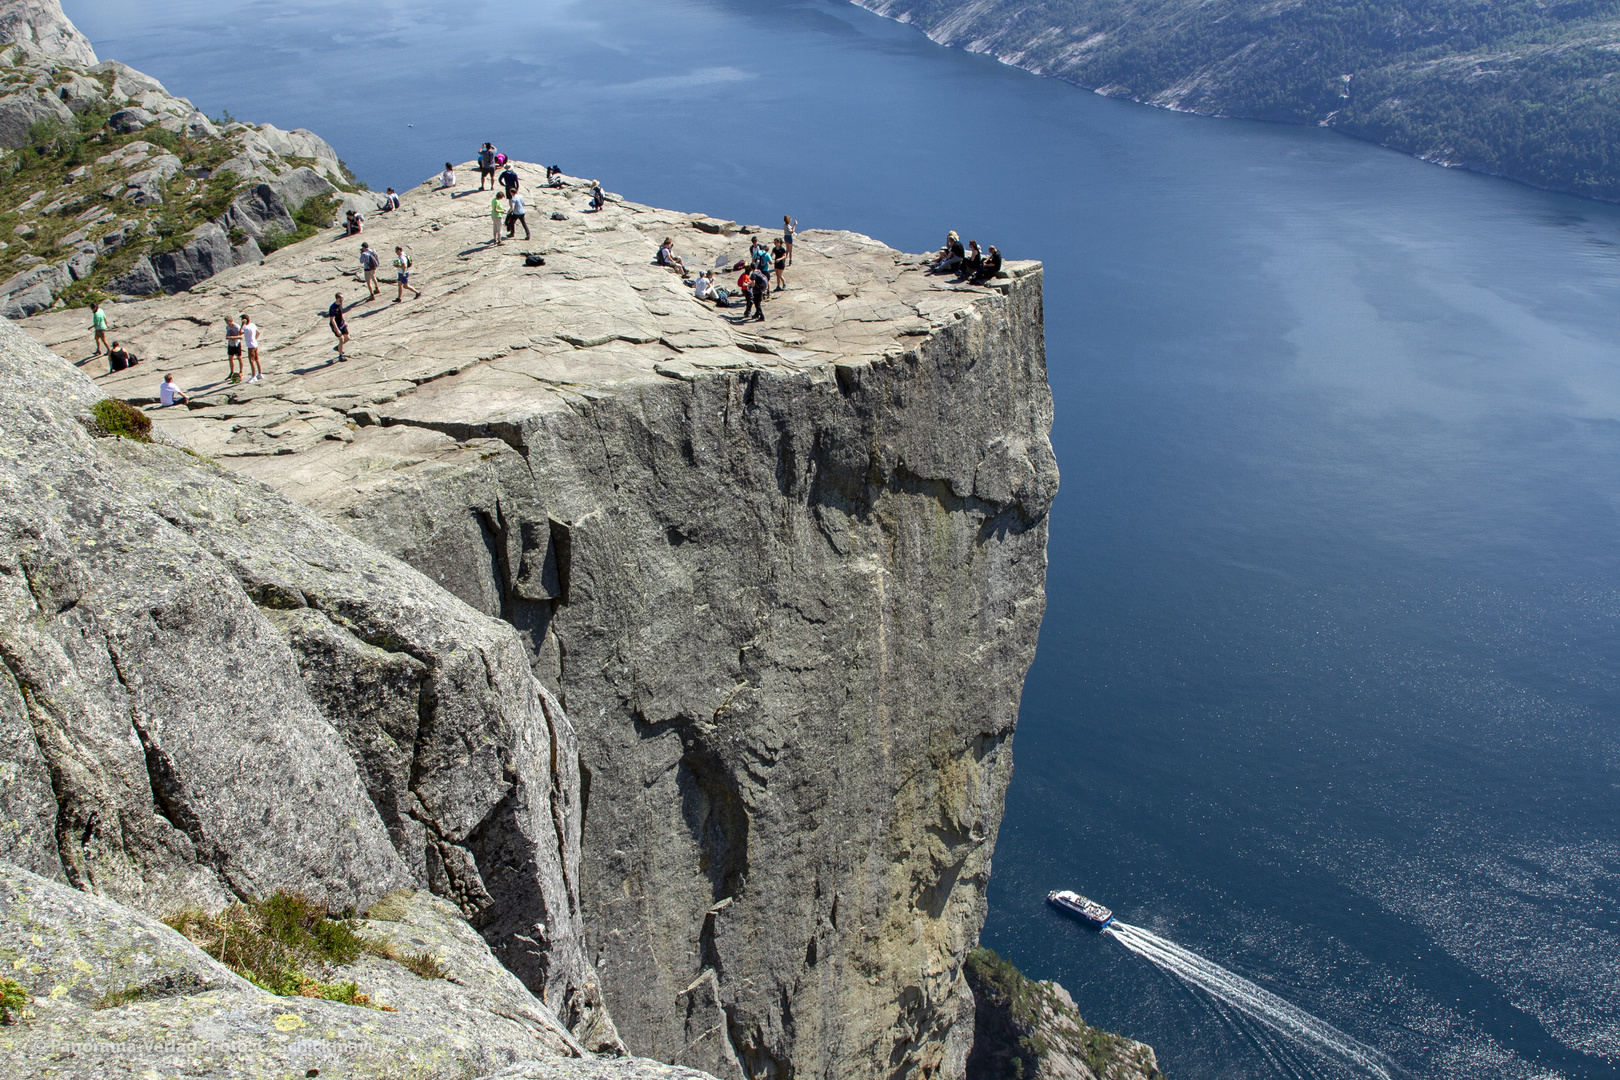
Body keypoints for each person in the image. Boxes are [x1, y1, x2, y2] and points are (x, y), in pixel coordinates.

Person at [328, 292, 349, 360]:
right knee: (341, 339)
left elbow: (341, 314)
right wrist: (337, 330)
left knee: (347, 338)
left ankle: (338, 347)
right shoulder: (332, 307)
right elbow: (332, 319)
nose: (342, 299)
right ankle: (340, 356)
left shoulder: (340, 304)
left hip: (341, 323)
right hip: (335, 326)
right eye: (341, 297)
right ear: (338, 298)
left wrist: (344, 321)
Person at [241, 313, 262, 383]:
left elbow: (239, 333)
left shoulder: (246, 327)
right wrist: (255, 339)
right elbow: (258, 332)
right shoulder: (253, 325)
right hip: (255, 344)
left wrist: (242, 325)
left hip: (250, 346)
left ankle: (253, 376)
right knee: (257, 359)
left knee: (251, 361)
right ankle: (260, 374)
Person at [224, 314, 243, 383]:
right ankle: (231, 372)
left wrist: (232, 337)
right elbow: (227, 334)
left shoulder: (237, 327)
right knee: (230, 358)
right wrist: (228, 337)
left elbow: (241, 337)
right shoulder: (228, 327)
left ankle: (241, 371)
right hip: (230, 344)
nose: (227, 324)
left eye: (228, 322)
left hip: (236, 344)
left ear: (231, 321)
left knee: (239, 358)